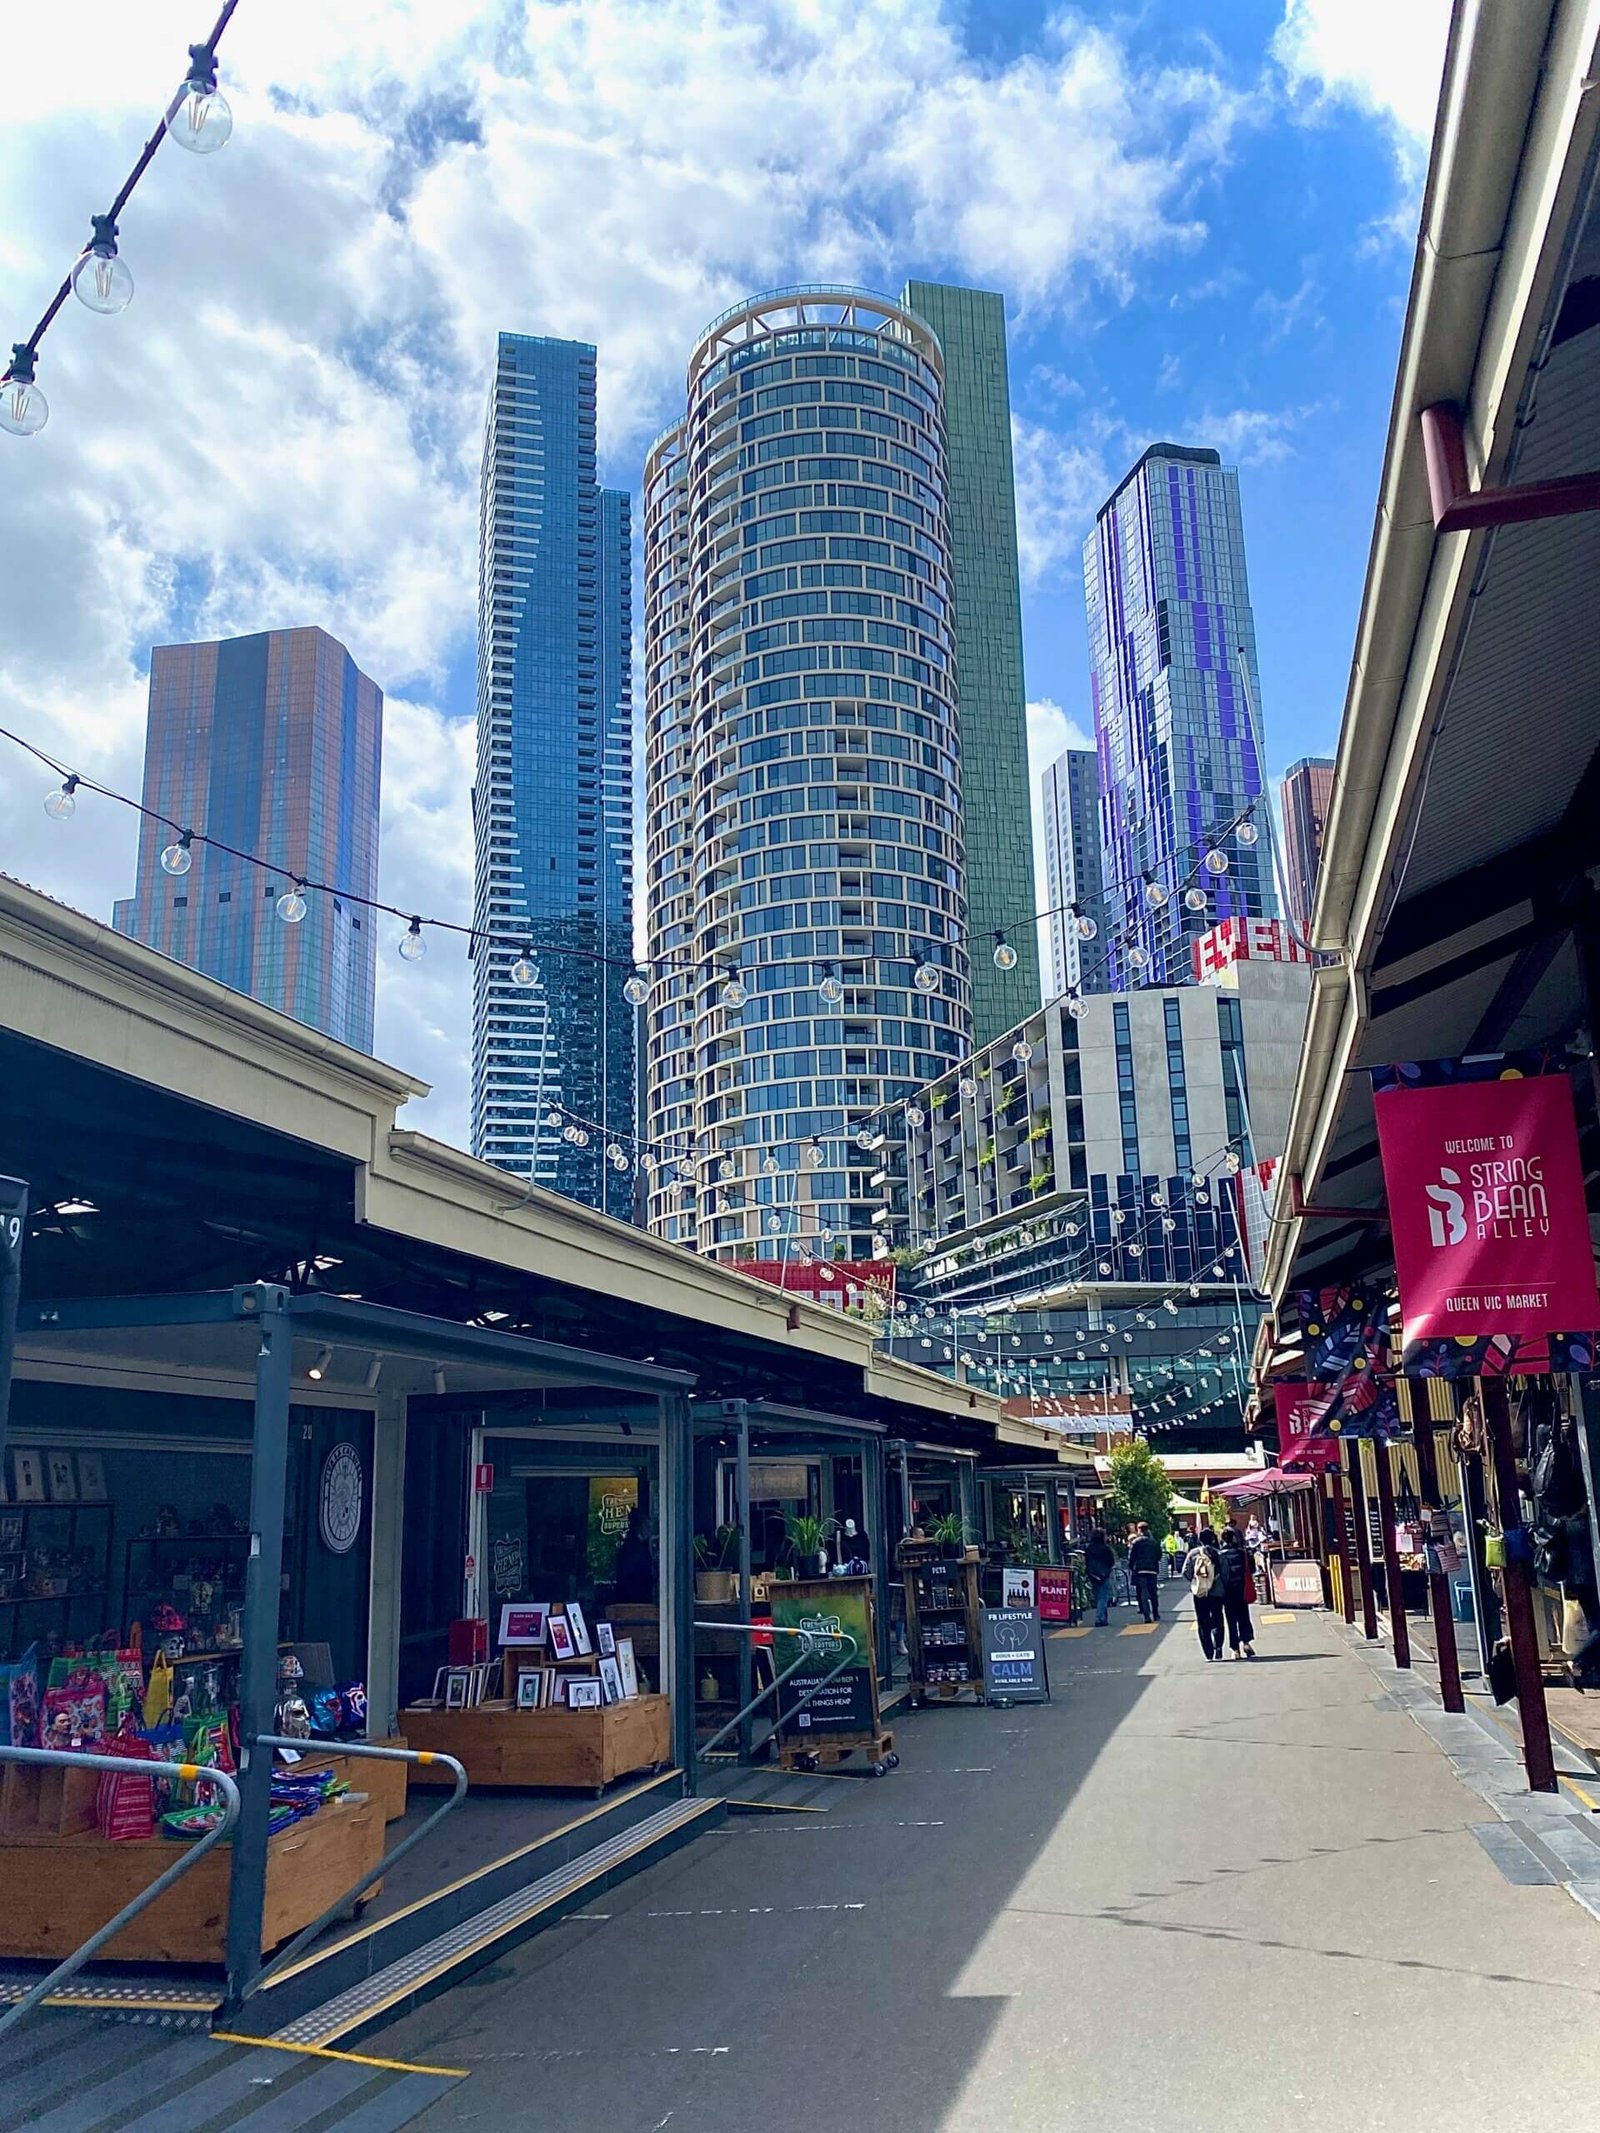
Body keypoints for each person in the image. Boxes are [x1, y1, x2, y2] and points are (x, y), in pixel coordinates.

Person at [1183, 1526, 1225, 1659]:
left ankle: (1208, 1653)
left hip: (1200, 1592)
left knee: (1202, 1621)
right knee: (1217, 1618)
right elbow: (1225, 1573)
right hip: (1217, 1592)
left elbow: (1186, 1571)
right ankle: (1218, 1646)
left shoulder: (1193, 1553)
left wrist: (1196, 1580)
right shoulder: (1218, 1553)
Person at [1218, 1524, 1256, 1658]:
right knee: (1244, 1617)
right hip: (1242, 1589)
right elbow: (1252, 1569)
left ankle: (1235, 1649)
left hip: (1227, 1592)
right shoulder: (1243, 1553)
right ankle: (1246, 1642)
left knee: (1231, 1620)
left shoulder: (1220, 1555)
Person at [1128, 1522, 1163, 1622]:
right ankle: (1156, 1614)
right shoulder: (1153, 1542)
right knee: (1153, 1592)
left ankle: (1146, 1615)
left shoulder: (1136, 1542)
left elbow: (1131, 1557)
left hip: (1140, 1569)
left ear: (1139, 1530)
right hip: (1152, 1569)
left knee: (1143, 1591)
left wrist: (1131, 1567)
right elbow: (1159, 1555)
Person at [1084, 1526, 1117, 1626]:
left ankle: (1103, 1618)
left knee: (1098, 1596)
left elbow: (1086, 1561)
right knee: (1103, 1597)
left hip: (1093, 1574)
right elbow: (1111, 1561)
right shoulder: (1105, 1548)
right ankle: (1099, 1618)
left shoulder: (1089, 1548)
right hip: (1104, 1574)